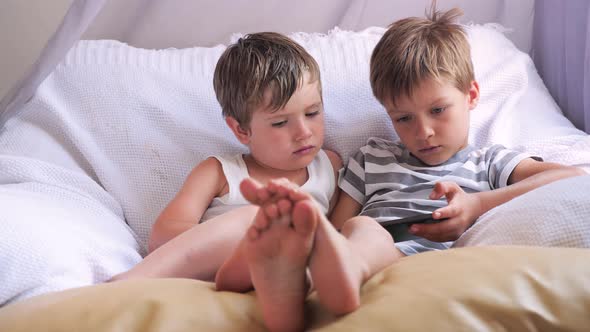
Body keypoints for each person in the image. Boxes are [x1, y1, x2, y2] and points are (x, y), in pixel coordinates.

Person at [333, 4, 586, 257]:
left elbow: (572, 177)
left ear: (471, 95)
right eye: (404, 118)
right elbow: (332, 234)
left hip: (454, 267)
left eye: (438, 110)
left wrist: (477, 205)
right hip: (374, 266)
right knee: (360, 227)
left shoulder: (489, 163)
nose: (423, 132)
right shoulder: (371, 159)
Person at [110, 32, 343, 282]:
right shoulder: (220, 172)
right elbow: (162, 236)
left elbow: (336, 234)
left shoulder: (328, 165)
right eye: (280, 123)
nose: (303, 133)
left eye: (312, 113)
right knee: (253, 218)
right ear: (241, 129)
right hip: (219, 274)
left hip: (290, 276)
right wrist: (244, 239)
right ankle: (126, 283)